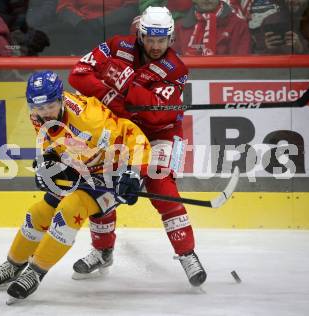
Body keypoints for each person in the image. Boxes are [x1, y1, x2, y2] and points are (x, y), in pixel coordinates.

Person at [0, 71, 151, 302]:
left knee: (70, 211)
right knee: (38, 212)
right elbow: (55, 144)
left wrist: (133, 172)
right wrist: (49, 163)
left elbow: (133, 134)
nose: (44, 112)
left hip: (113, 173)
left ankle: (35, 272)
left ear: (60, 98)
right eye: (38, 107)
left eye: (50, 105)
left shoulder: (90, 120)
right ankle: (13, 265)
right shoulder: (38, 115)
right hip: (83, 168)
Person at [68, 6, 207, 287]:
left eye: (162, 40)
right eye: (151, 39)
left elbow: (157, 114)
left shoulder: (177, 69)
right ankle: (102, 251)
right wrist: (113, 96)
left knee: (162, 188)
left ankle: (187, 253)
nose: (156, 46)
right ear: (141, 34)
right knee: (102, 187)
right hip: (122, 129)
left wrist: (124, 80)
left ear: (170, 38)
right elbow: (78, 75)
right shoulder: (117, 45)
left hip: (163, 134)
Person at [172, 0, 251, 55]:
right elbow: (173, 61)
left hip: (225, 77)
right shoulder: (179, 27)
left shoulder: (238, 25)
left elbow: (240, 66)